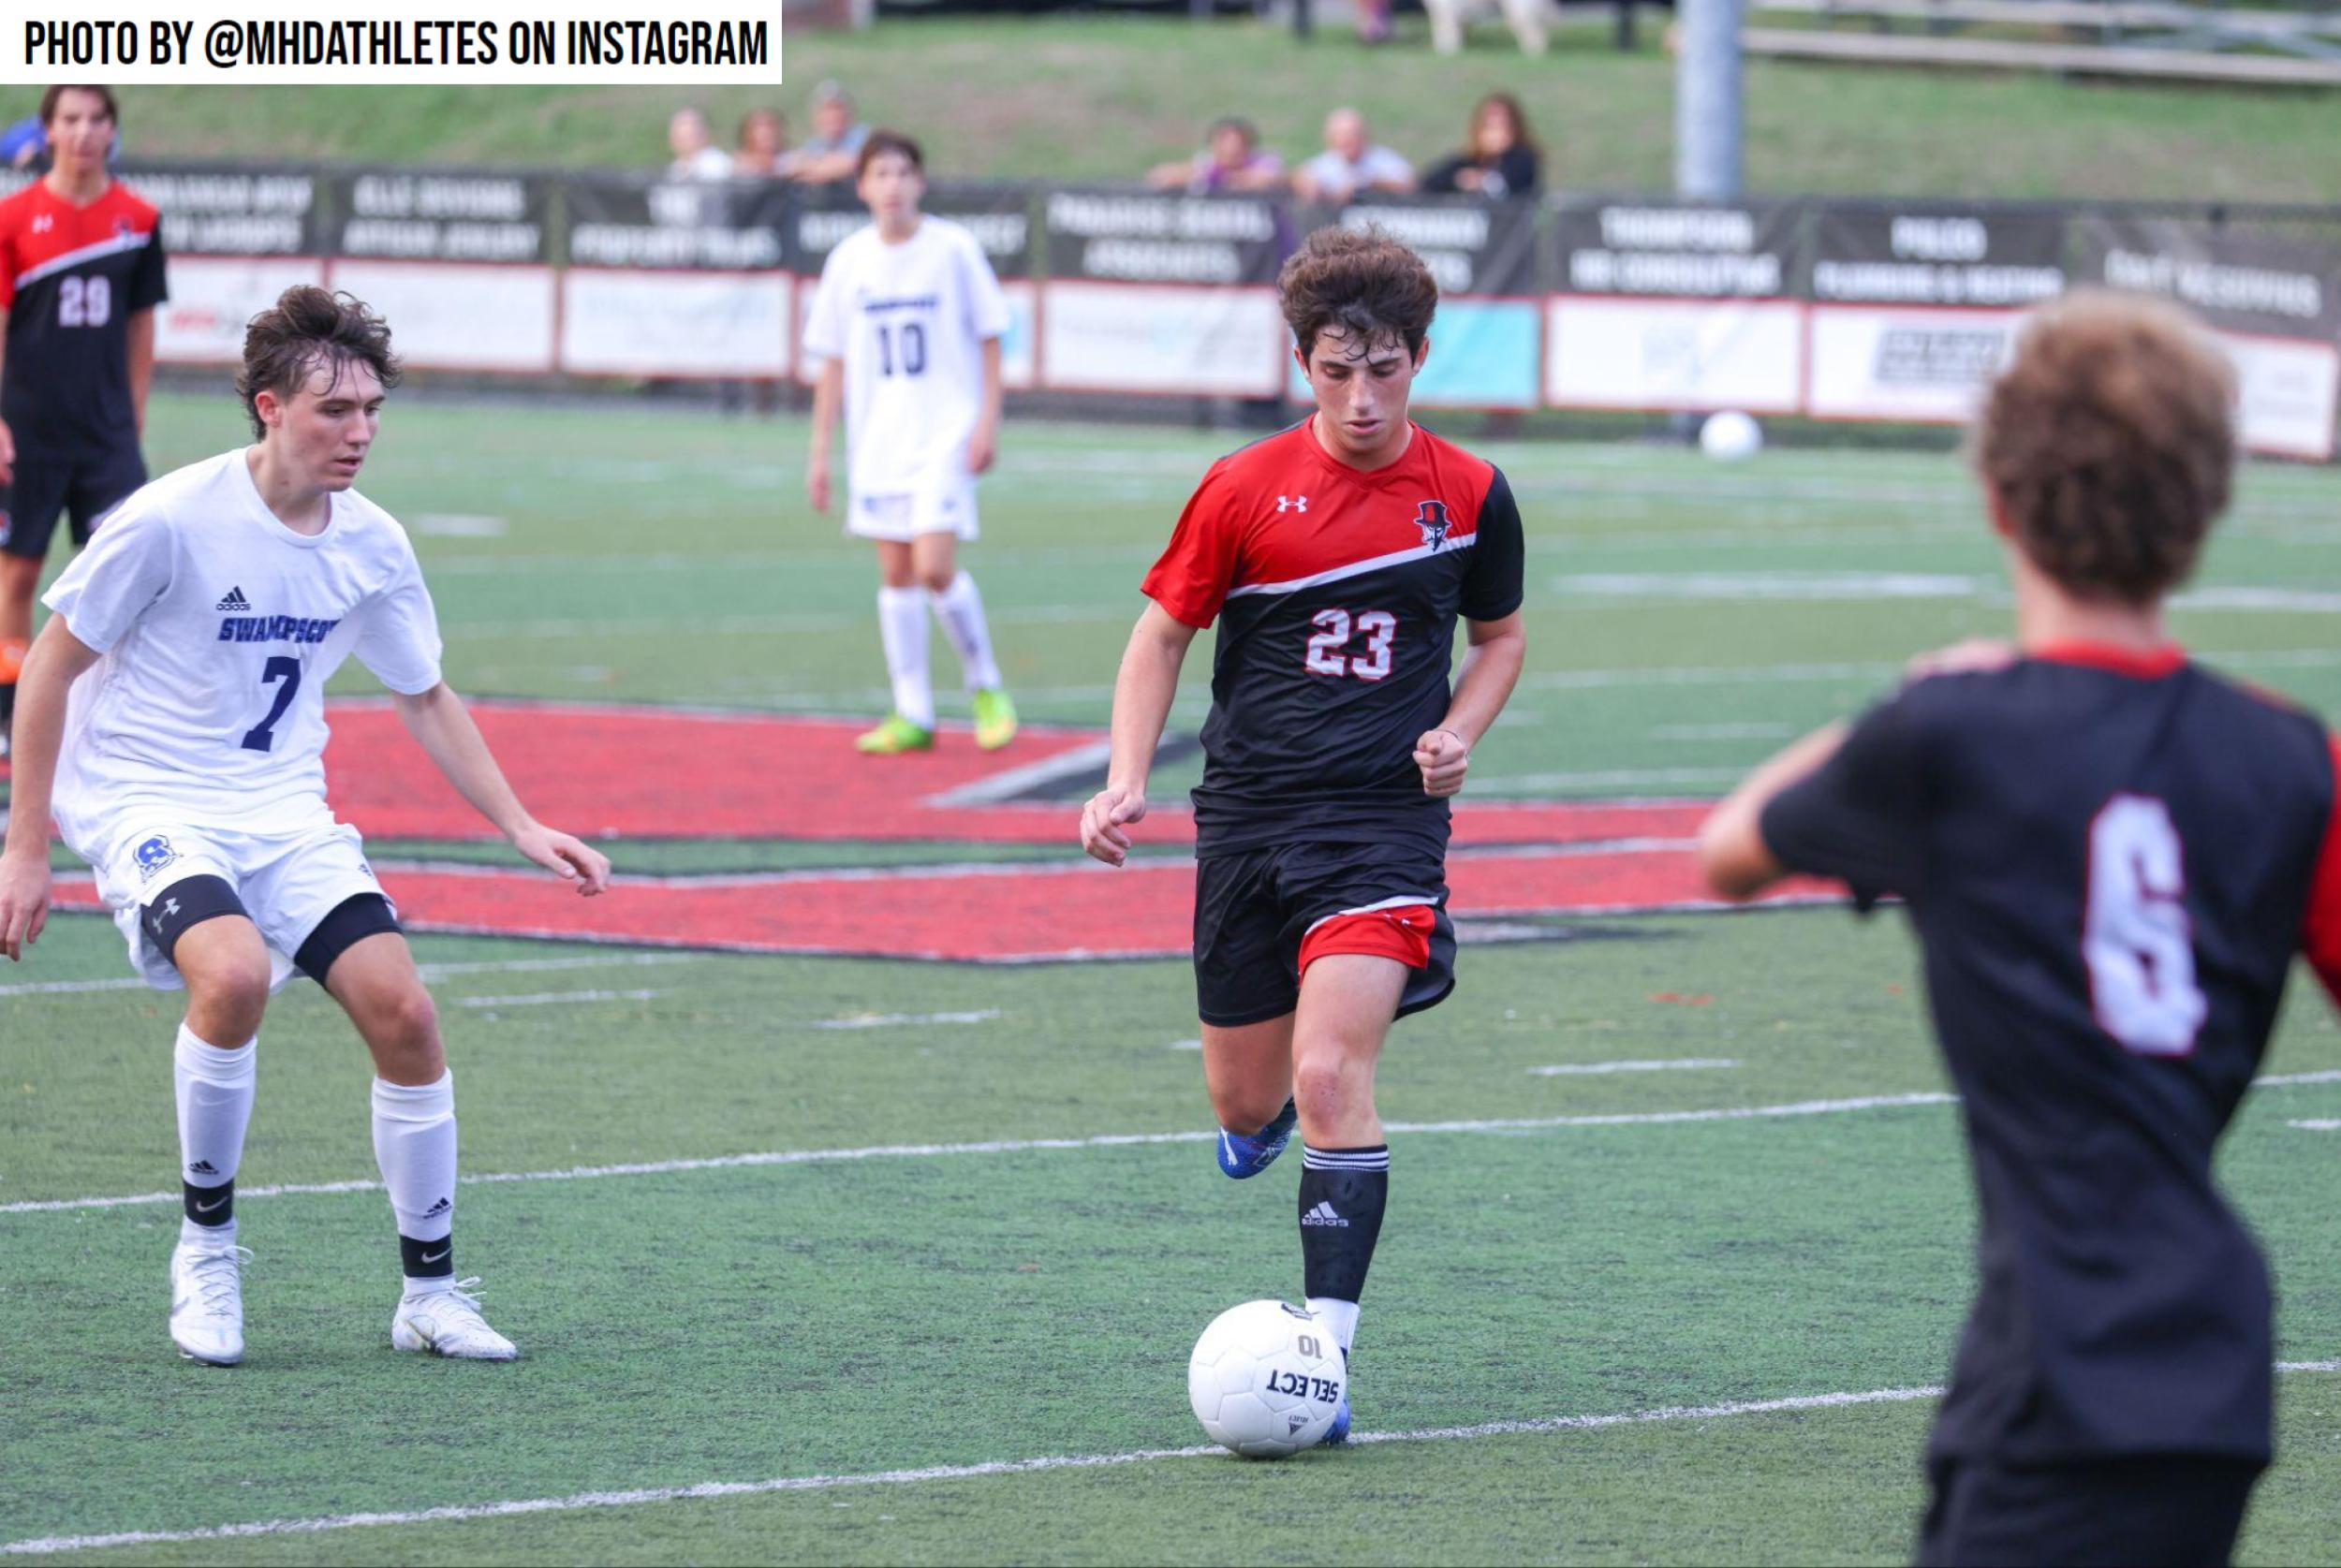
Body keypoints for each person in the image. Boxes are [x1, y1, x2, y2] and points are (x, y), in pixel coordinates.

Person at [1697, 291, 2341, 1567]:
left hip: (2063, 1360)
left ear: (1999, 499)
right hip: (2213, 1352)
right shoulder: (2290, 753)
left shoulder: (1949, 735)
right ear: (2206, 506)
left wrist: (1918, 693)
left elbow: (1730, 847)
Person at [0, 286, 614, 1367]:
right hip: (150, 796)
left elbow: (424, 693)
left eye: (374, 409)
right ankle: (206, 1249)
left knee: (406, 1011)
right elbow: (50, 662)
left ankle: (428, 1293)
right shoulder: (169, 518)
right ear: (270, 406)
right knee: (230, 977)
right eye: (338, 410)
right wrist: (25, 843)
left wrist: (521, 824)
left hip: (282, 809)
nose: (362, 431)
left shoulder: (371, 543)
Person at [1079, 227, 1526, 1441]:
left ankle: (1324, 1360)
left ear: (1422, 357)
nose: (1364, 396)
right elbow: (1161, 635)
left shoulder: (1472, 492)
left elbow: (1500, 640)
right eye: (1339, 370)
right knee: (1247, 1101)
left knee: (1334, 1075)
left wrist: (1461, 730)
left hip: (1383, 823)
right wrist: (1126, 776)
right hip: (1248, 816)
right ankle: (1254, 1121)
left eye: (1386, 369)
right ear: (1301, 362)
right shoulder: (1238, 488)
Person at [802, 131, 1019, 755]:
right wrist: (820, 452)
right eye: (881, 173)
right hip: (877, 441)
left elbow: (989, 335)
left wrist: (986, 423)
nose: (893, 184)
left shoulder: (952, 249)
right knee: (895, 573)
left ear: (919, 182)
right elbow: (834, 362)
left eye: (903, 172)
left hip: (943, 435)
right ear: (862, 185)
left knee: (933, 566)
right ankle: (913, 710)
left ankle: (986, 686)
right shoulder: (848, 260)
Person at [0, 85, 165, 760]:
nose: (85, 132)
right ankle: (12, 717)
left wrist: (134, 415)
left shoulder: (140, 218)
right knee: (17, 578)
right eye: (71, 119)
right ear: (48, 130)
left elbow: (140, 323)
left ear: (112, 130)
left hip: (105, 439)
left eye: (98, 119)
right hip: (30, 431)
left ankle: (118, 721)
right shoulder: (13, 217)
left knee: (125, 575)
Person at [1421, 93, 1541, 200]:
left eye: (1501, 126)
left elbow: (1510, 183)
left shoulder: (1523, 159)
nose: (1495, 134)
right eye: (1489, 126)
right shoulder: (1468, 159)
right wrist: (1460, 180)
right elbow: (1431, 181)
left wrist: (1482, 182)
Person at [1291, 109, 1415, 206]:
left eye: (1352, 135)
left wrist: (1367, 184)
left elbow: (1408, 183)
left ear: (1364, 136)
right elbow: (1300, 177)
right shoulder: (1327, 163)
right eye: (1341, 136)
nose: (1347, 141)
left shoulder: (1382, 160)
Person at [1146, 117, 1286, 195]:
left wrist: (1219, 178)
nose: (1231, 150)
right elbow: (1160, 176)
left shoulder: (1263, 162)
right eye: (1225, 143)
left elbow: (1265, 180)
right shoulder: (1208, 164)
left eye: (1238, 144)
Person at [788, 81, 871, 186]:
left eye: (838, 108)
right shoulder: (815, 144)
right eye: (827, 110)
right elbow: (794, 166)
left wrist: (817, 169)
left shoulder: (862, 135)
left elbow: (852, 162)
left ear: (849, 112)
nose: (833, 115)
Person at [666, 107, 733, 181]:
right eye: (678, 137)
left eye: (689, 137)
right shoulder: (676, 168)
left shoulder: (717, 165)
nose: (682, 143)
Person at [734, 108, 789, 179]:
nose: (766, 132)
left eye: (770, 126)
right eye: (759, 127)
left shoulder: (789, 160)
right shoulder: (737, 165)